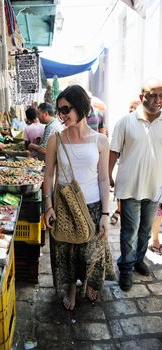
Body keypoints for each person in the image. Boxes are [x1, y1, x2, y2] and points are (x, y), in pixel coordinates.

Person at [43, 85, 115, 310]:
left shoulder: (100, 141)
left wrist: (105, 213)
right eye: (59, 110)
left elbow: (104, 179)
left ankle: (91, 284)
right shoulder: (56, 139)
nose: (62, 115)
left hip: (92, 206)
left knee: (92, 251)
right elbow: (49, 174)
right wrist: (48, 206)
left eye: (66, 109)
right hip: (63, 205)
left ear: (81, 106)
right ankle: (71, 288)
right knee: (66, 251)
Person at [109, 77, 162, 291]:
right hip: (129, 186)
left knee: (146, 230)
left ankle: (138, 259)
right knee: (129, 231)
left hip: (155, 186)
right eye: (153, 95)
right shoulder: (125, 122)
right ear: (142, 97)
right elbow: (113, 151)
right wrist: (108, 176)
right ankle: (127, 269)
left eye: (161, 95)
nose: (158, 100)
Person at [110, 98, 141, 225]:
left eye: (134, 108)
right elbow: (114, 149)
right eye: (130, 109)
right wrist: (109, 173)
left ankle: (118, 212)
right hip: (126, 171)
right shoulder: (125, 123)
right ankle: (118, 210)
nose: (131, 111)